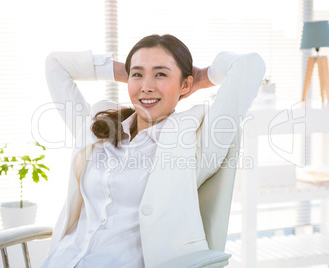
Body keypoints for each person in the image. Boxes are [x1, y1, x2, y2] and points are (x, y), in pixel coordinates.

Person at [41, 34, 265, 268]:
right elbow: (55, 64)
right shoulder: (99, 128)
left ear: (185, 85)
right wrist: (128, 72)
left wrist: (200, 77)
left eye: (161, 74)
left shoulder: (192, 145)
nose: (146, 87)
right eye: (137, 75)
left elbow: (249, 65)